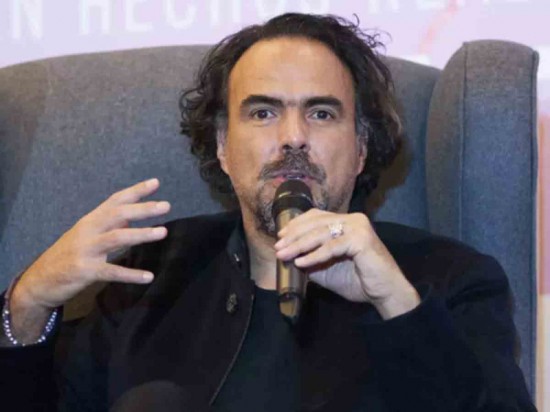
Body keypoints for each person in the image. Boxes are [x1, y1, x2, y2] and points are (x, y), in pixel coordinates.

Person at [0, 13, 536, 412]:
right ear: (222, 147)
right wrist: (27, 303)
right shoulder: (147, 277)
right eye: (263, 113)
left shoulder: (451, 280)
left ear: (361, 148)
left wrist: (396, 302)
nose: (293, 138)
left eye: (321, 113)